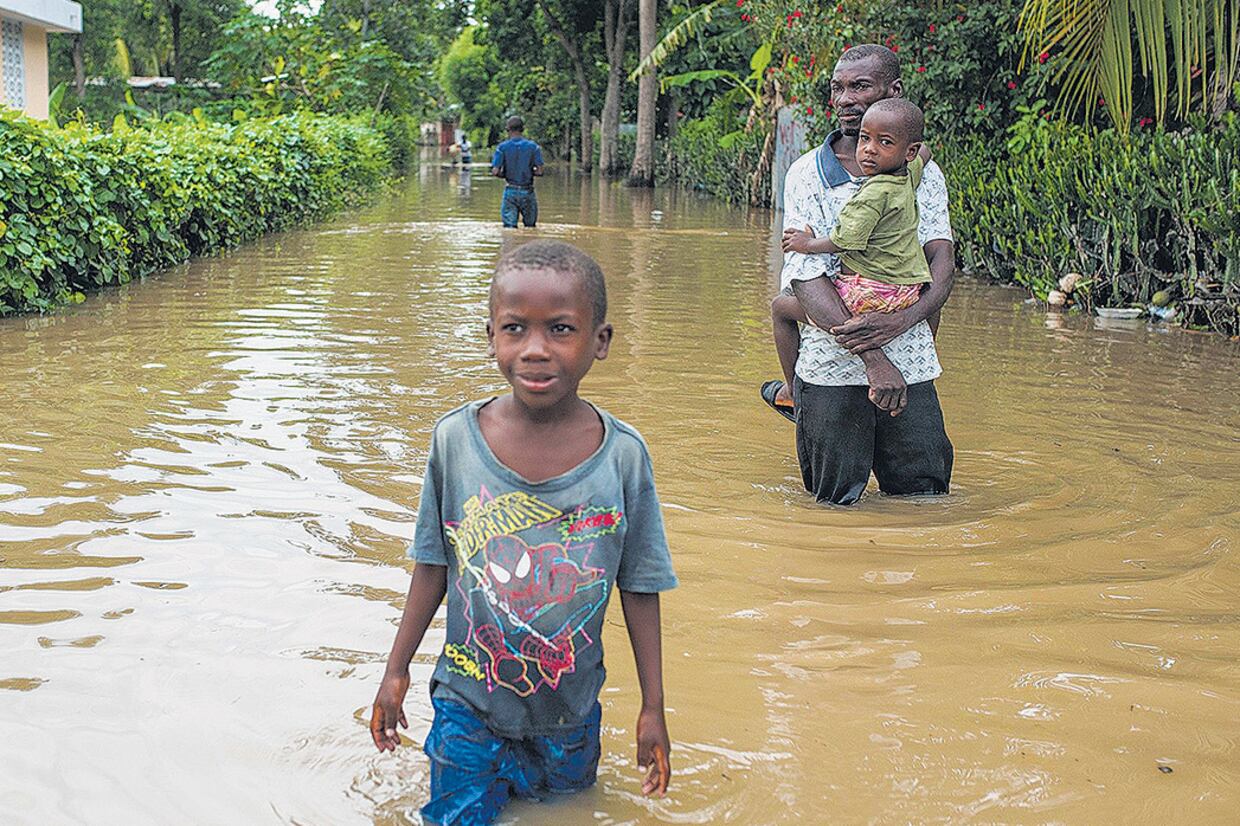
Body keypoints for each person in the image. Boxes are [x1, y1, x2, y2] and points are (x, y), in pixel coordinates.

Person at [370, 240, 677, 825]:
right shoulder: (455, 442)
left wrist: (652, 707)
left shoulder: (623, 458)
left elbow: (640, 585)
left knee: (566, 813)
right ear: (491, 337)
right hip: (467, 706)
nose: (536, 349)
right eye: (515, 329)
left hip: (570, 715)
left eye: (560, 329)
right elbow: (432, 564)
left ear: (600, 341)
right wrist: (395, 670)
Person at [760, 44, 955, 506]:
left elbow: (941, 262)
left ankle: (791, 394)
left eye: (860, 86)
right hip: (832, 368)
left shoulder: (921, 174)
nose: (845, 99)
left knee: (926, 498)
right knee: (834, 506)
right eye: (838, 88)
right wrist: (875, 360)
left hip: (910, 364)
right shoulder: (807, 173)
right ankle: (798, 396)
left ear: (894, 90)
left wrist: (902, 322)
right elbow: (807, 278)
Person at [767, 98, 933, 416]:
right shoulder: (908, 177)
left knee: (781, 308)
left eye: (884, 143)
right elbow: (925, 153)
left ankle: (791, 391)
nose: (869, 150)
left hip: (869, 296)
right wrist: (909, 151)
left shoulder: (871, 194)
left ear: (907, 151)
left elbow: (844, 241)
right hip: (906, 291)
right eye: (865, 139)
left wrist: (806, 243)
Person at [491, 116, 544, 228]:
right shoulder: (534, 147)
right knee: (530, 227)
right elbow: (540, 171)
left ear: (508, 130)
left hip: (510, 191)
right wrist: (528, 172)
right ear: (523, 129)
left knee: (509, 229)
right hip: (528, 191)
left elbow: (495, 171)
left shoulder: (502, 148)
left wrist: (506, 174)